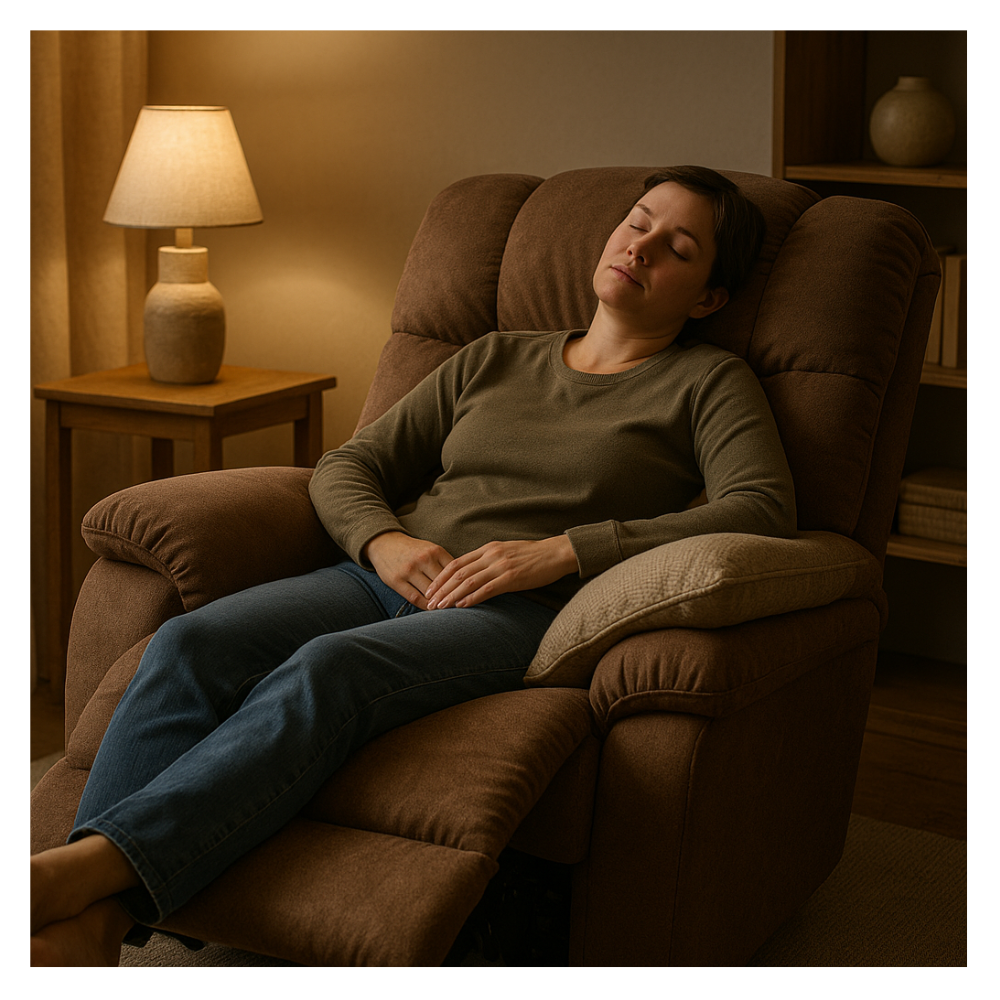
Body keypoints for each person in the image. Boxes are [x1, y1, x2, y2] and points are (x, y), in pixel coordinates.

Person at [30, 166, 796, 966]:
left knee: (331, 669)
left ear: (707, 298)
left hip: (518, 615)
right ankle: (99, 923)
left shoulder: (707, 382)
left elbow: (760, 508)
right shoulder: (495, 357)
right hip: (379, 576)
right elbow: (348, 466)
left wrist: (565, 550)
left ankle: (80, 877)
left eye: (675, 247)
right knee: (188, 644)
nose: (639, 248)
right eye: (636, 223)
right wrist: (381, 542)